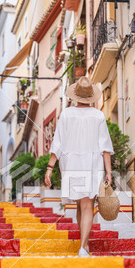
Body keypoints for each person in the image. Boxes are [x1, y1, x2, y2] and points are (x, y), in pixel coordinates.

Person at [45, 76, 114, 257]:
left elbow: (57, 143)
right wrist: (109, 171)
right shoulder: (98, 116)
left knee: (79, 205)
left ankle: (84, 244)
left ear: (76, 96)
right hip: (92, 164)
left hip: (72, 164)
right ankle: (83, 247)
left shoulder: (66, 114)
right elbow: (105, 147)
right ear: (91, 96)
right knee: (86, 206)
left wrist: (50, 168)